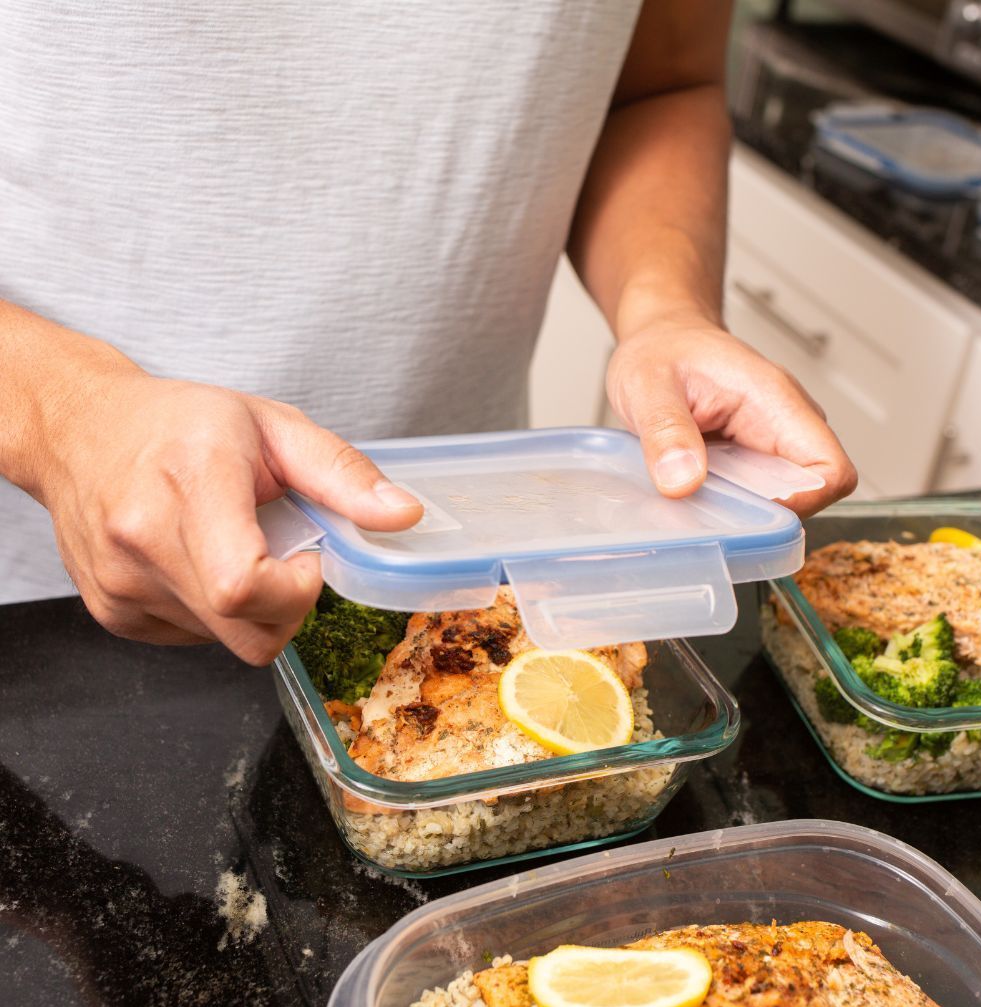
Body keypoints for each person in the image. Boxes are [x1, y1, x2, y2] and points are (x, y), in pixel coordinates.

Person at [0, 0, 856, 665]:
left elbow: (660, 83)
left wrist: (664, 308)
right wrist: (60, 417)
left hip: (477, 579)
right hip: (41, 599)